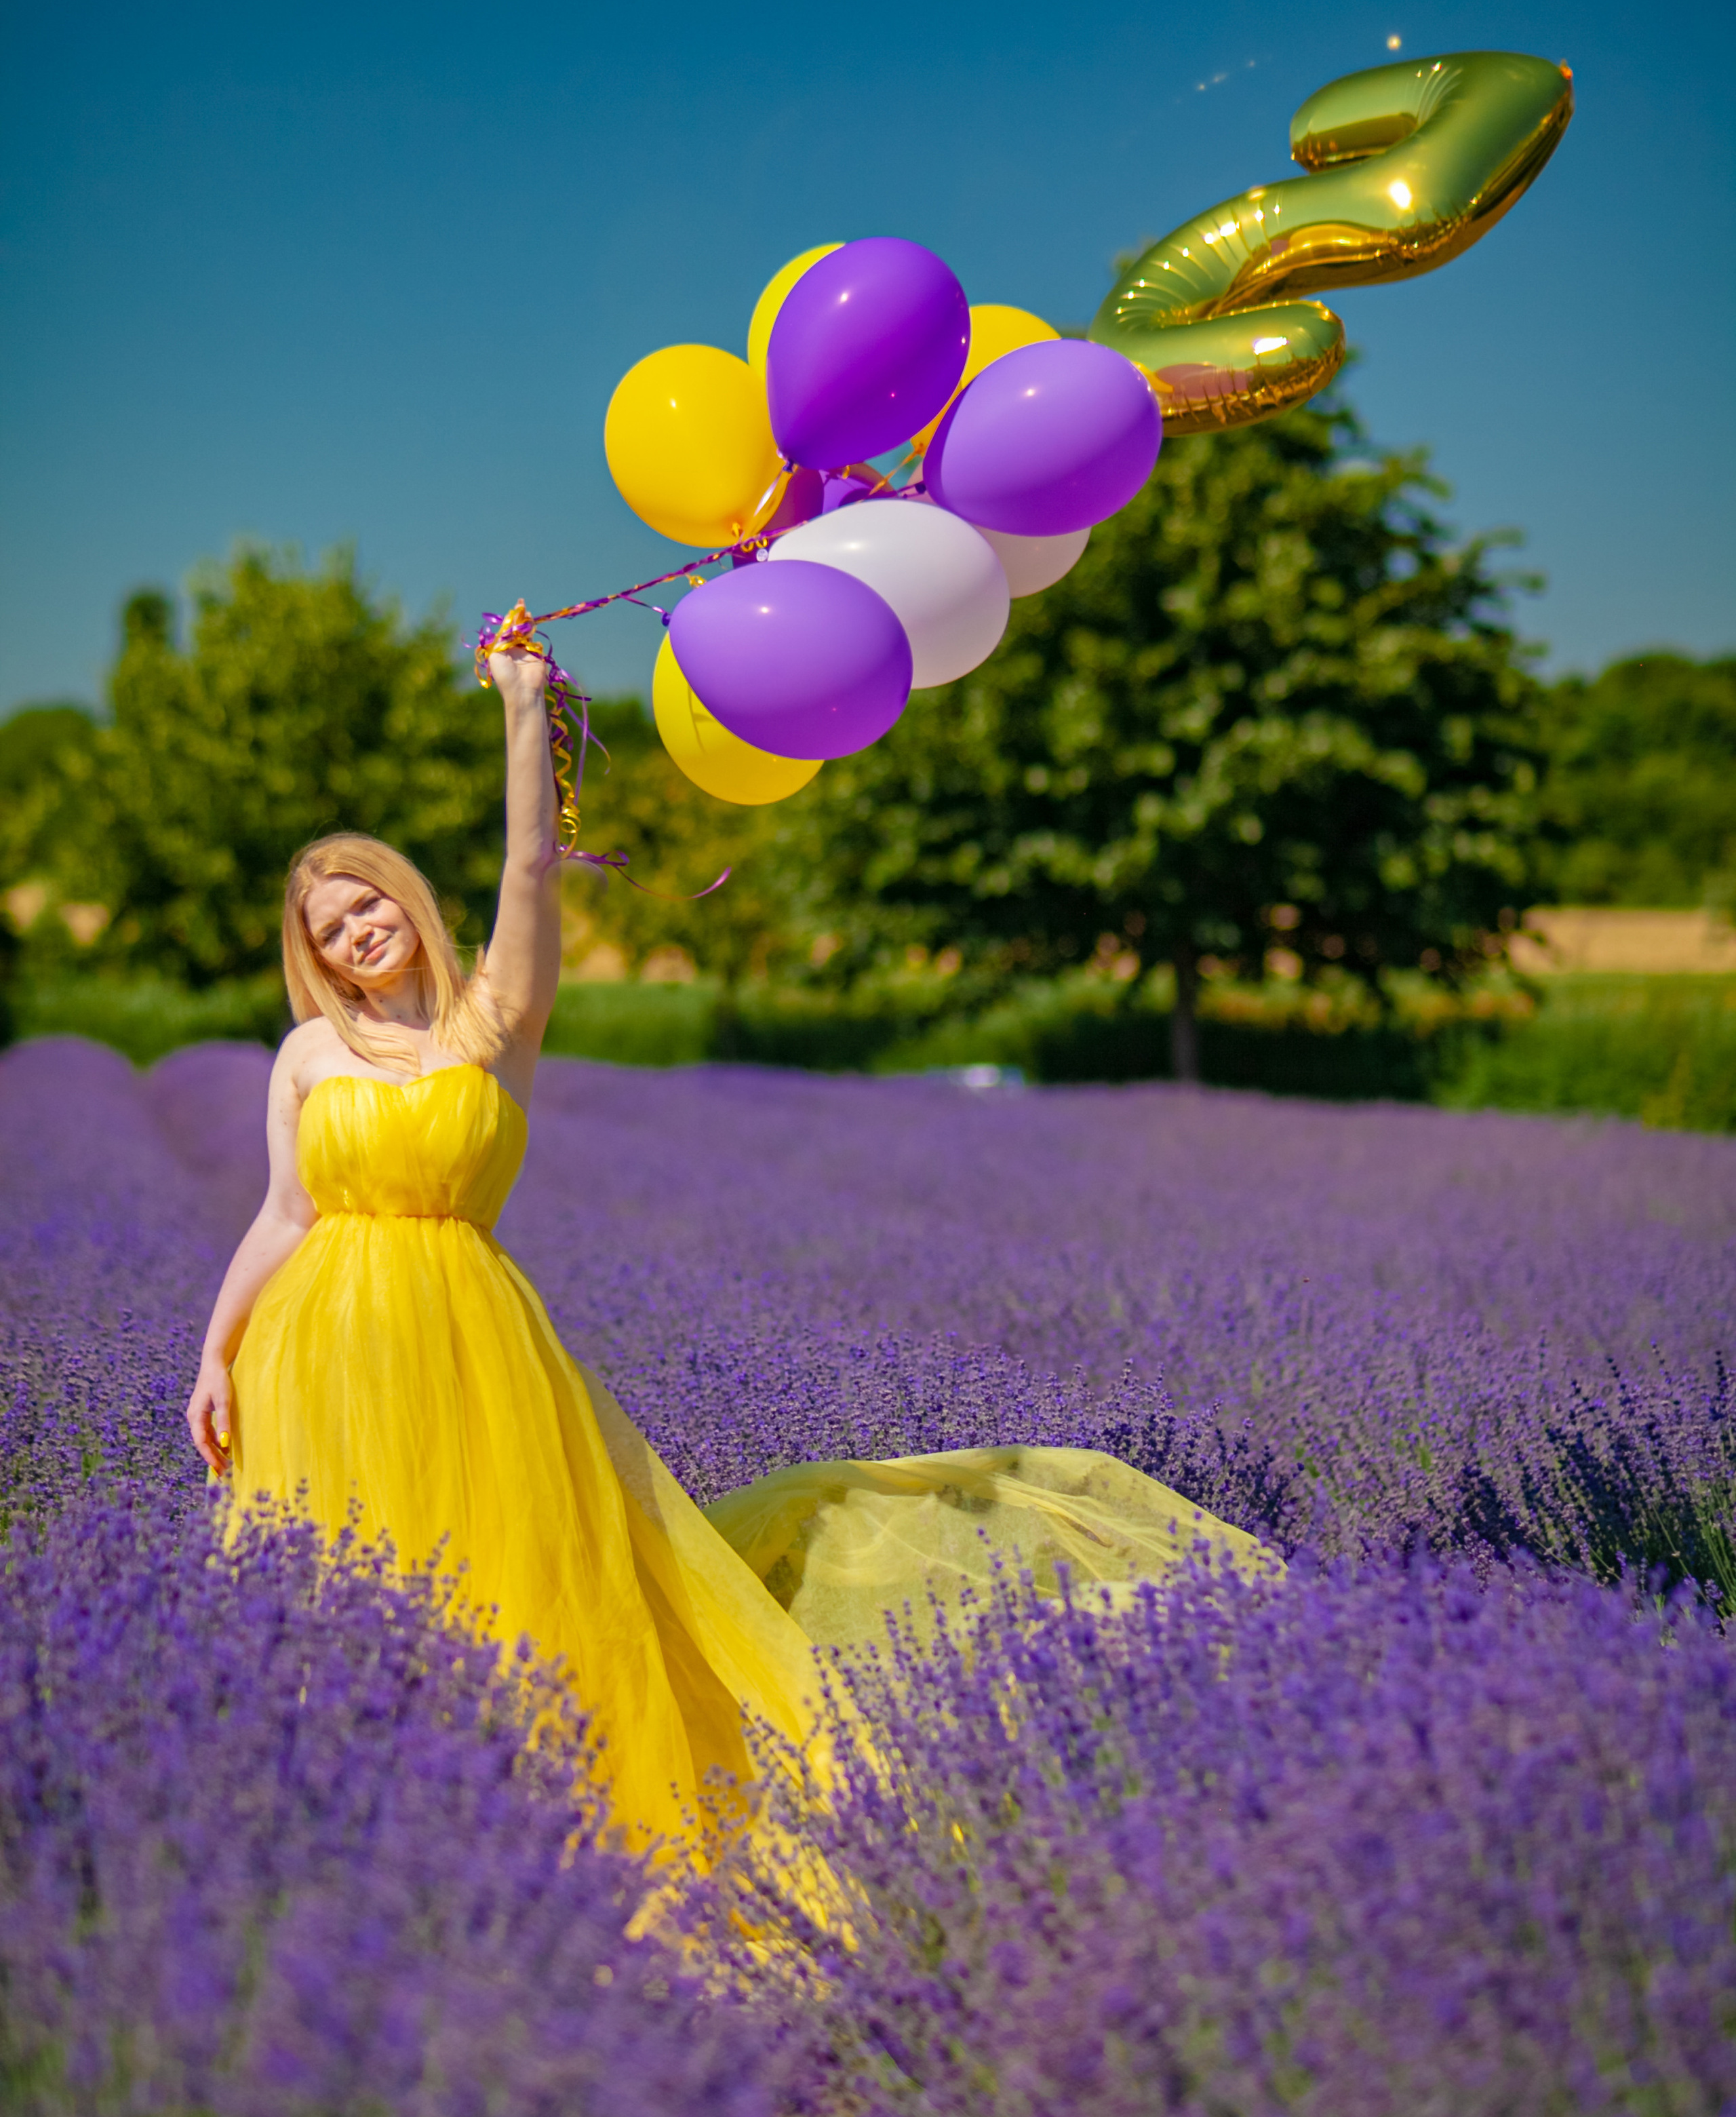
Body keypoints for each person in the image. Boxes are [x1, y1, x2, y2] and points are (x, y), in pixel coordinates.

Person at [189, 641, 1265, 1852]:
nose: (356, 936)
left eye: (368, 904)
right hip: (319, 1367)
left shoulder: (493, 1019)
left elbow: (532, 865)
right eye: (330, 931)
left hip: (474, 1347)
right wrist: (217, 1357)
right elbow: (286, 1216)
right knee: (345, 1607)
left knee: (516, 1586)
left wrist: (526, 708)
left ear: (405, 899)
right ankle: (361, 1843)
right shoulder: (307, 1057)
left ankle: (534, 1832)